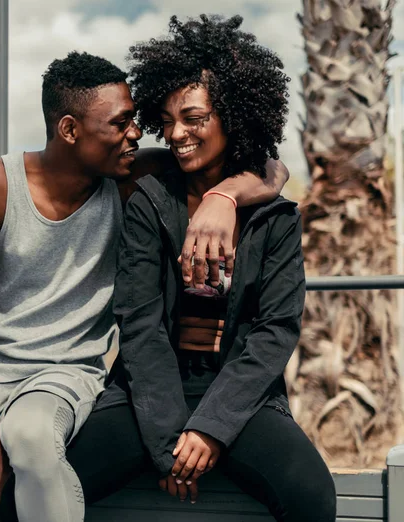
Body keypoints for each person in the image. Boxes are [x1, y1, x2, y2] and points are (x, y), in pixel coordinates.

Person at [0, 51, 288, 522]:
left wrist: (223, 196)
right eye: (120, 123)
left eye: (135, 120)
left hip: (63, 374)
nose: (136, 133)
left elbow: (269, 169)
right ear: (70, 130)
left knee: (33, 443)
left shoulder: (130, 178)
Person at [113, 14, 336, 522]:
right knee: (62, 473)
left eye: (193, 118)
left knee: (313, 495)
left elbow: (275, 330)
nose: (176, 133)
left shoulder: (275, 216)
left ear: (233, 114)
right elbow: (140, 324)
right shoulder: (150, 202)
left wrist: (212, 427)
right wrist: (169, 440)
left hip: (239, 391)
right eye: (167, 121)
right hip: (151, 387)